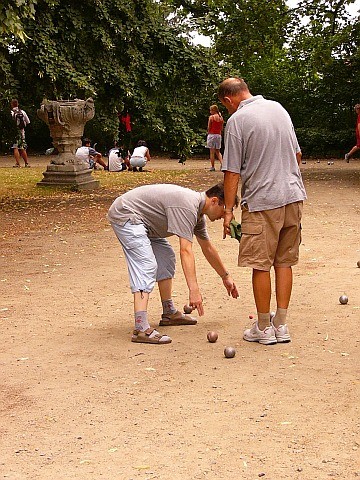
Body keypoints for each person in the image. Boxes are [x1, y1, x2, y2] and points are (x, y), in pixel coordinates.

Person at [218, 77, 307, 345]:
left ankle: (264, 327)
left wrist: (228, 211)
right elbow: (297, 156)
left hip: (262, 202)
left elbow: (231, 171)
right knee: (284, 261)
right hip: (292, 196)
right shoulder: (279, 108)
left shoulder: (237, 121)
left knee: (260, 264)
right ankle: (282, 324)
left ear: (227, 100)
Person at [108, 182, 239, 344]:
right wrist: (194, 290)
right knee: (146, 264)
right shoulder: (187, 207)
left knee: (166, 256)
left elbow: (207, 248)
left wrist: (225, 276)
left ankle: (168, 313)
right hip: (127, 215)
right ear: (214, 201)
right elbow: (186, 250)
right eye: (225, 209)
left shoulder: (197, 214)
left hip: (146, 223)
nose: (225, 215)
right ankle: (141, 328)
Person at [10, 99, 30, 168]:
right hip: (22, 132)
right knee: (22, 147)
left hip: (15, 132)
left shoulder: (11, 113)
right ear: (18, 104)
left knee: (15, 147)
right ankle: (26, 163)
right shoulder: (22, 112)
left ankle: (18, 163)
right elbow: (28, 122)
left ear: (12, 104)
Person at [206, 104, 224, 171]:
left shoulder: (211, 117)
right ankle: (222, 164)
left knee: (212, 152)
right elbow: (221, 128)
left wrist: (208, 132)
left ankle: (212, 166)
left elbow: (209, 127)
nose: (210, 112)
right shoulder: (221, 118)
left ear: (214, 110)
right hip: (218, 135)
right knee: (218, 151)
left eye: (211, 110)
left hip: (212, 135)